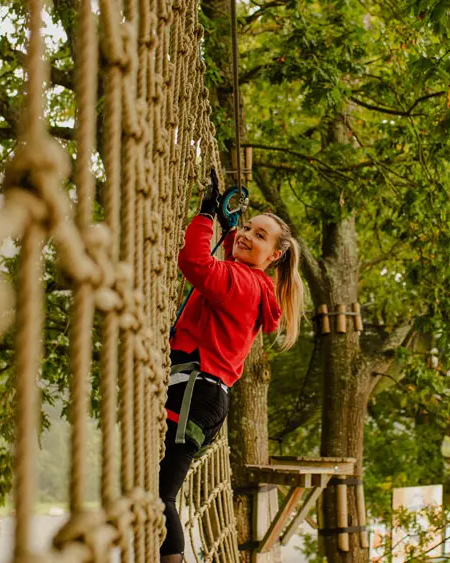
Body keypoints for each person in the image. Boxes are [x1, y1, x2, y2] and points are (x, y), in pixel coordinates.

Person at [159, 174, 305, 562]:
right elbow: (224, 265)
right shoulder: (250, 283)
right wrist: (230, 230)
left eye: (260, 236)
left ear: (273, 256)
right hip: (203, 394)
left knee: (160, 498)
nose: (247, 235)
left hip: (194, 391)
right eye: (248, 226)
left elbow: (194, 262)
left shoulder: (242, 283)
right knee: (157, 493)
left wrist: (205, 215)